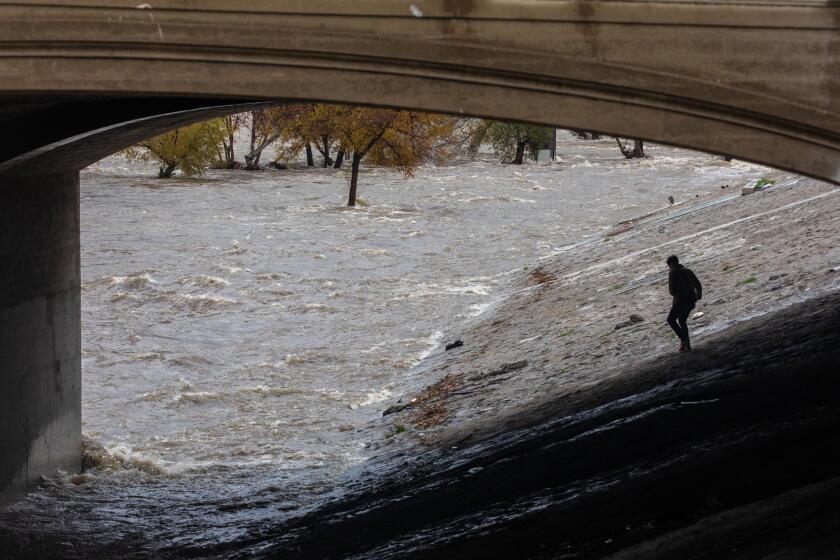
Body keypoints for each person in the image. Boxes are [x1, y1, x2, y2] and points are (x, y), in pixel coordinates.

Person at [666, 255, 702, 351]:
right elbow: (698, 284)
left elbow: (672, 291)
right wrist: (698, 296)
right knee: (682, 320)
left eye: (669, 265)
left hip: (679, 301)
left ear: (671, 264)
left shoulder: (673, 273)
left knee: (671, 320)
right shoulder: (688, 270)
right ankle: (686, 344)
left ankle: (684, 340)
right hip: (691, 300)